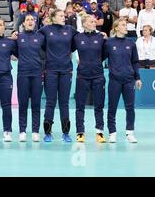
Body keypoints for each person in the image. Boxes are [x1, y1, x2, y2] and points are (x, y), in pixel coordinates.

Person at [38, 9, 78, 142]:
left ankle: (65, 133)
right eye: (61, 15)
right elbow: (36, 40)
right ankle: (47, 132)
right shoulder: (45, 29)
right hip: (50, 70)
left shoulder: (70, 29)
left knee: (64, 102)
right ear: (53, 17)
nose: (64, 17)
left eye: (64, 15)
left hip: (66, 71)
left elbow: (78, 42)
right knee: (50, 102)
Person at [104, 18, 142, 143]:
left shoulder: (131, 43)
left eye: (126, 24)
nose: (126, 26)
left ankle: (130, 132)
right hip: (114, 81)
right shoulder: (109, 43)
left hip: (129, 80)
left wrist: (137, 78)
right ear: (116, 28)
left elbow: (135, 61)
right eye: (123, 25)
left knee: (130, 107)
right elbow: (100, 57)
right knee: (112, 107)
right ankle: (112, 133)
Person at [73, 15, 107, 143]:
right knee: (80, 105)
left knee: (99, 105)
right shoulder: (77, 38)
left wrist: (96, 63)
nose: (95, 23)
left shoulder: (101, 37)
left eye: (95, 21)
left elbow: (104, 54)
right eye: (92, 21)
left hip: (98, 75)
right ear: (84, 23)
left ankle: (100, 132)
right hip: (82, 76)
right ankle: (80, 132)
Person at [15, 14, 45, 142]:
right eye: (27, 20)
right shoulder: (18, 37)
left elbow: (45, 53)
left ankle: (35, 131)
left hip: (37, 74)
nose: (30, 21)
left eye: (32, 20)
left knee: (36, 104)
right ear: (23, 23)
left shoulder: (41, 37)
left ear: (35, 22)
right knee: (23, 104)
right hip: (23, 74)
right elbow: (15, 52)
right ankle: (22, 130)